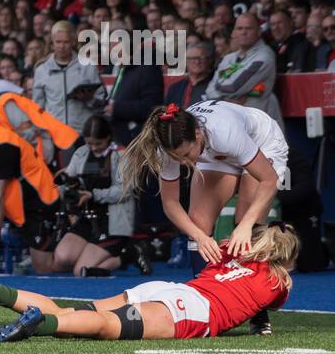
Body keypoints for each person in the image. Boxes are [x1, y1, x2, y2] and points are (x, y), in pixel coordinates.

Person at [122, 100, 288, 334]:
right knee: (198, 222)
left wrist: (246, 224)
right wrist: (199, 236)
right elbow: (170, 203)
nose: (185, 163)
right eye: (178, 158)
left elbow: (268, 180)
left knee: (246, 222)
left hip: (262, 142)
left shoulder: (225, 132)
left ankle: (258, 315)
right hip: (214, 151)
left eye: (186, 154)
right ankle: (201, 303)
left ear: (198, 134)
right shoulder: (169, 148)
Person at [0, 223, 297, 342]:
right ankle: (39, 324)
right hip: (190, 310)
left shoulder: (236, 253)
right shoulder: (278, 282)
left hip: (171, 289)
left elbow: (221, 252)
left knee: (72, 311)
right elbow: (268, 303)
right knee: (105, 326)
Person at [0, 99, 62, 275]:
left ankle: (72, 257)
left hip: (39, 205)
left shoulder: (4, 145)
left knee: (43, 267)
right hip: (14, 202)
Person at [50, 115, 148, 277]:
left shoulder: (121, 155)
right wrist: (67, 188)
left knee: (80, 271)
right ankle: (96, 253)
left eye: (98, 143)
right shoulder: (81, 153)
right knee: (62, 258)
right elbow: (67, 180)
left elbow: (125, 191)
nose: (94, 148)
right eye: (89, 143)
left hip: (112, 221)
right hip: (87, 218)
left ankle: (128, 255)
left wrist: (93, 195)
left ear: (108, 137)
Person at [206, 13, 281, 125]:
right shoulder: (229, 59)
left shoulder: (264, 56)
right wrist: (226, 101)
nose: (243, 32)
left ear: (259, 31)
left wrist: (220, 90)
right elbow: (209, 90)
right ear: (234, 32)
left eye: (248, 28)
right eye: (240, 28)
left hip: (258, 125)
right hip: (232, 121)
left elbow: (233, 86)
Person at [31, 21, 103, 134]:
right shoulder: (42, 70)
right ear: (52, 44)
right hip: (54, 133)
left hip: (82, 132)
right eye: (58, 42)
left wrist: (89, 99)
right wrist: (42, 131)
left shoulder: (88, 66)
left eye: (66, 42)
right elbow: (37, 106)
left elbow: (101, 101)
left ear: (73, 42)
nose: (62, 46)